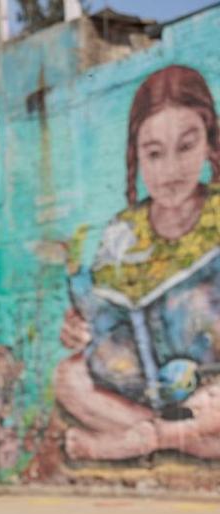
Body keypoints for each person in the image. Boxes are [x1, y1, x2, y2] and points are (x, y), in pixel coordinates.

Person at [57, 65, 220, 460]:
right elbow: (96, 311)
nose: (170, 170)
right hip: (139, 385)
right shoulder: (121, 232)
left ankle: (142, 439)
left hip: (209, 384)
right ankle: (188, 438)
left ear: (209, 145)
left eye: (186, 147)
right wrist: (77, 329)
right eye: (154, 154)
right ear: (137, 157)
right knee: (68, 377)